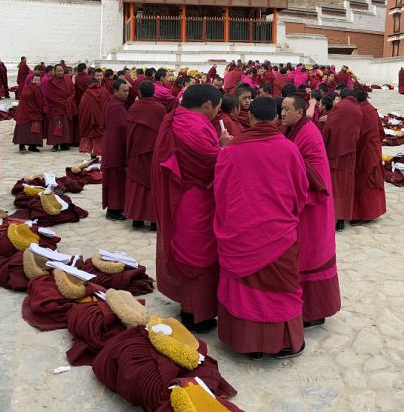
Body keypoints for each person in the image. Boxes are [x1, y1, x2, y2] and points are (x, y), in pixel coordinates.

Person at [214, 96, 308, 360]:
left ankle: (250, 344)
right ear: (276, 118)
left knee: (245, 290)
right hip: (279, 232)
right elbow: (301, 191)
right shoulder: (289, 149)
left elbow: (220, 193)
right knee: (282, 289)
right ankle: (285, 343)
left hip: (242, 232)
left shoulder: (232, 150)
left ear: (251, 118)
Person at [153, 84, 231, 332]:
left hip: (186, 195)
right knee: (198, 255)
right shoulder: (193, 125)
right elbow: (210, 161)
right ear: (207, 105)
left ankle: (194, 308)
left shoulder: (177, 116)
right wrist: (225, 148)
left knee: (191, 250)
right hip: (194, 199)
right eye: (217, 108)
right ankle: (195, 313)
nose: (217, 113)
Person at [280, 94, 342, 328]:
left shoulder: (308, 133)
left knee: (311, 254)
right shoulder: (292, 129)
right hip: (302, 203)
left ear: (300, 112)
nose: (282, 113)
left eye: (287, 109)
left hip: (313, 202)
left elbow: (312, 172)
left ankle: (315, 310)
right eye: (281, 109)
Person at [125, 81, 168, 230]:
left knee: (137, 185)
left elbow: (129, 132)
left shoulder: (134, 108)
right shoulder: (161, 109)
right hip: (155, 152)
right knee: (154, 185)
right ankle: (154, 221)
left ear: (140, 93)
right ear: (153, 93)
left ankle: (137, 219)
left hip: (136, 152)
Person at [321, 88, 362, 230]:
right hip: (350, 150)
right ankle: (341, 219)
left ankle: (334, 216)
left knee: (335, 185)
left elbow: (329, 127)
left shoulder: (339, 107)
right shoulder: (357, 108)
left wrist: (324, 144)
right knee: (345, 185)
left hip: (336, 150)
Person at [352, 89, 387, 222]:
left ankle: (364, 214)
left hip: (364, 150)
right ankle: (374, 211)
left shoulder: (359, 111)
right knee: (371, 178)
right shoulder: (371, 110)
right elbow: (381, 132)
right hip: (373, 149)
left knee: (364, 179)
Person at [102, 79, 130, 220]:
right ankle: (113, 210)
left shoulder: (114, 103)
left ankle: (117, 208)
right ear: (115, 91)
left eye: (127, 91)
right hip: (115, 147)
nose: (126, 94)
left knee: (116, 177)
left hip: (112, 145)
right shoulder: (116, 107)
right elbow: (122, 128)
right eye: (124, 91)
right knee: (115, 178)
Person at [44, 63, 76, 151]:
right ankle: (55, 144)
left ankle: (64, 143)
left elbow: (73, 91)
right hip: (56, 106)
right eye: (59, 71)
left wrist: (69, 100)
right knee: (55, 125)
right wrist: (61, 102)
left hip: (66, 106)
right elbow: (49, 96)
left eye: (62, 71)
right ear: (54, 71)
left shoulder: (67, 79)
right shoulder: (50, 82)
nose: (61, 73)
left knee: (65, 125)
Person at [13, 70, 45, 152]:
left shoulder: (26, 87)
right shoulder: (35, 89)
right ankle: (32, 146)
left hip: (23, 111)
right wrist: (42, 110)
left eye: (38, 80)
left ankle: (22, 145)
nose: (37, 82)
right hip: (30, 111)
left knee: (23, 128)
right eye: (35, 80)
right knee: (34, 127)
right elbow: (39, 102)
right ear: (31, 80)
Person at [76, 77, 108, 158]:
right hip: (102, 120)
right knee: (101, 139)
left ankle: (92, 156)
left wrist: (84, 121)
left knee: (92, 138)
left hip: (91, 121)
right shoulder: (104, 91)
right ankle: (104, 155)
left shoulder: (86, 94)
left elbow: (83, 108)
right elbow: (108, 105)